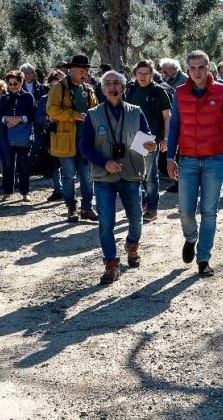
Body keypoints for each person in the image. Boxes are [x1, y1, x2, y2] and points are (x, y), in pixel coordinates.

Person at [166, 50, 223, 277]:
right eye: (193, 68)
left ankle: (204, 258)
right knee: (185, 210)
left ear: (209, 68)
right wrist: (170, 157)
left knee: (209, 211)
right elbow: (175, 126)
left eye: (201, 67)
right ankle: (190, 238)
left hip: (215, 159)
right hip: (187, 159)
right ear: (187, 70)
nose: (197, 72)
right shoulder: (179, 93)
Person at [82, 70, 157, 284]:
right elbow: (85, 146)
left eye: (117, 83)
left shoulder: (136, 112)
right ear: (103, 89)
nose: (113, 87)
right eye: (108, 84)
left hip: (131, 174)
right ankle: (111, 264)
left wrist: (151, 145)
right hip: (104, 176)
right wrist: (105, 162)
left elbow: (146, 138)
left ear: (123, 88)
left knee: (136, 220)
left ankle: (132, 245)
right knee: (106, 222)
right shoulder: (93, 114)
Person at [47, 54, 99, 222]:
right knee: (68, 176)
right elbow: (52, 110)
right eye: (81, 71)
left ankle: (87, 208)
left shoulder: (88, 89)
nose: (84, 74)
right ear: (71, 70)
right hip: (65, 140)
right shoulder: (58, 88)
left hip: (85, 140)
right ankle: (71, 207)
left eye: (86, 71)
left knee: (86, 175)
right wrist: (73, 115)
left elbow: (95, 110)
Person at [124, 60, 171, 221]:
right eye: (139, 73)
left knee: (150, 176)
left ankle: (152, 208)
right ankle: (141, 203)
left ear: (152, 74)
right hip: (131, 138)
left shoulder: (159, 92)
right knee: (134, 175)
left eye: (146, 73)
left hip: (151, 139)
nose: (142, 77)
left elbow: (167, 117)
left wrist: (166, 139)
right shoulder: (131, 90)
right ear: (135, 74)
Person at [0, 70, 36, 201]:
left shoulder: (28, 97)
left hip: (23, 135)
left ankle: (25, 192)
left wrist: (20, 119)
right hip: (6, 135)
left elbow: (33, 114)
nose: (13, 86)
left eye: (16, 83)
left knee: (23, 164)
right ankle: (7, 191)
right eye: (10, 83)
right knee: (8, 164)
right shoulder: (4, 98)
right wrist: (7, 119)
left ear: (22, 82)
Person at [31, 69, 63, 202]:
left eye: (58, 85)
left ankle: (68, 191)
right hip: (49, 137)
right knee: (54, 165)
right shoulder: (44, 99)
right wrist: (48, 118)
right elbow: (37, 118)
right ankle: (58, 189)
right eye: (52, 85)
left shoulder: (69, 98)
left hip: (67, 136)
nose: (55, 88)